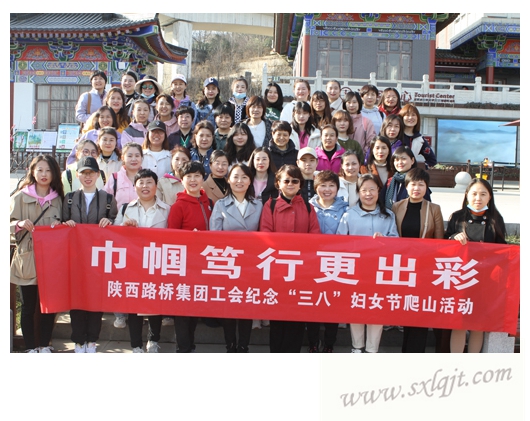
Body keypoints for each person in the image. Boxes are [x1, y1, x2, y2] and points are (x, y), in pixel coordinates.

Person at [259, 164, 320, 352]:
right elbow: (266, 235)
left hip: (301, 272)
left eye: (295, 180)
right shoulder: (270, 206)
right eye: (286, 181)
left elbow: (315, 237)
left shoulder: (308, 208)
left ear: (300, 183)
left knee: (297, 317)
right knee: (277, 318)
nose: (291, 184)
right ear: (278, 183)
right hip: (277, 271)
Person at [337, 174, 399, 352]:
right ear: (358, 192)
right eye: (364, 190)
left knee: (376, 308)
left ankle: (372, 349)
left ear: (379, 191)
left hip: (380, 271)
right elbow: (340, 243)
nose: (368, 194)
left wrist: (384, 239)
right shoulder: (349, 215)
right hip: (355, 271)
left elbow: (397, 241)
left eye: (372, 189)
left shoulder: (388, 216)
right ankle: (357, 347)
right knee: (356, 307)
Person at [62, 156, 118, 352]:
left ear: (98, 175)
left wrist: (110, 223)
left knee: (96, 299)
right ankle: (78, 340)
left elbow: (116, 224)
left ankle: (92, 340)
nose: (87, 176)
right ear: (77, 175)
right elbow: (62, 224)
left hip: (99, 258)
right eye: (83, 173)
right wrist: (66, 224)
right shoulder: (69, 199)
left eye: (91, 173)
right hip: (75, 257)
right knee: (76, 299)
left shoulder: (108, 199)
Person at [445, 178, 507, 353]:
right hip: (461, 277)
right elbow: (444, 243)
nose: (478, 198)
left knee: (477, 324)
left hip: (485, 279)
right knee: (459, 322)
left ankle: (473, 362)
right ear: (467, 195)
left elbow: (503, 249)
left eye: (483, 194)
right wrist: (453, 237)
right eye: (474, 194)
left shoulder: (496, 219)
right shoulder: (457, 217)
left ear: (489, 197)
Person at [114, 168, 171, 353]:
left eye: (149, 182)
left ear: (156, 186)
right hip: (133, 265)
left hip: (157, 263)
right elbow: (114, 235)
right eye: (141, 182)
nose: (145, 186)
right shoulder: (126, 208)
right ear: (134, 186)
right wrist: (124, 227)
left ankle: (153, 341)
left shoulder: (167, 209)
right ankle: (136, 345)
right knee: (133, 305)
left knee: (155, 303)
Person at [10, 155, 63, 352]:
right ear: (32, 171)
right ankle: (31, 347)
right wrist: (18, 224)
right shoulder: (20, 197)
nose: (44, 174)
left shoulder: (58, 198)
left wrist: (59, 225)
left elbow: (65, 225)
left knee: (49, 305)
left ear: (54, 173)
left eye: (48, 170)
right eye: (40, 170)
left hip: (51, 259)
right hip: (27, 258)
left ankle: (44, 345)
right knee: (28, 306)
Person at [210, 164, 263, 352]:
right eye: (235, 177)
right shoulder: (220, 205)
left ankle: (243, 346)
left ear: (250, 181)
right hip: (228, 264)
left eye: (244, 177)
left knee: (246, 306)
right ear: (228, 180)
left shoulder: (258, 205)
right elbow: (214, 236)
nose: (239, 181)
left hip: (251, 265)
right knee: (229, 307)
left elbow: (264, 234)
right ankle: (230, 345)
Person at [392, 168, 445, 352]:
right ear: (406, 187)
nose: (416, 188)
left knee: (420, 309)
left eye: (421, 184)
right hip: (402, 267)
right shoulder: (396, 207)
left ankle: (416, 352)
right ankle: (405, 350)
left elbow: (440, 241)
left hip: (424, 268)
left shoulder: (434, 209)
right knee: (406, 309)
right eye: (413, 184)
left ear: (426, 187)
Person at [167, 161, 213, 352]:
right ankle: (183, 348)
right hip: (184, 266)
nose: (193, 180)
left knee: (195, 308)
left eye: (197, 176)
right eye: (188, 177)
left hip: (204, 264)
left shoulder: (209, 202)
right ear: (182, 180)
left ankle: (190, 345)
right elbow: (172, 236)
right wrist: (188, 238)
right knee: (183, 310)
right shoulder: (178, 206)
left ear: (203, 178)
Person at [307, 171, 349, 352]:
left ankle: (329, 344)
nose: (327, 189)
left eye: (331, 185)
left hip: (336, 264)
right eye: (323, 185)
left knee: (333, 305)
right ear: (316, 188)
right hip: (312, 264)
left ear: (337, 189)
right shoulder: (308, 207)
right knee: (312, 305)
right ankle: (313, 343)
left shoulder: (346, 209)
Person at [383, 146, 431, 210]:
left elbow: (426, 205)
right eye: (397, 160)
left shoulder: (418, 180)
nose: (400, 162)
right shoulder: (391, 181)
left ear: (412, 160)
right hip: (391, 215)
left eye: (403, 159)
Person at [399, 104, 437, 168]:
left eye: (413, 115)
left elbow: (432, 161)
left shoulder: (420, 139)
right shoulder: (396, 135)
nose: (410, 117)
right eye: (407, 115)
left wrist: (416, 168)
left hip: (410, 173)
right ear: (402, 117)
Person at [342, 91, 376, 155]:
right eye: (349, 102)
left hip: (360, 158)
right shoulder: (339, 120)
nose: (351, 105)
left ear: (359, 103)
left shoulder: (367, 122)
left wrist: (362, 155)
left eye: (354, 102)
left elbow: (371, 142)